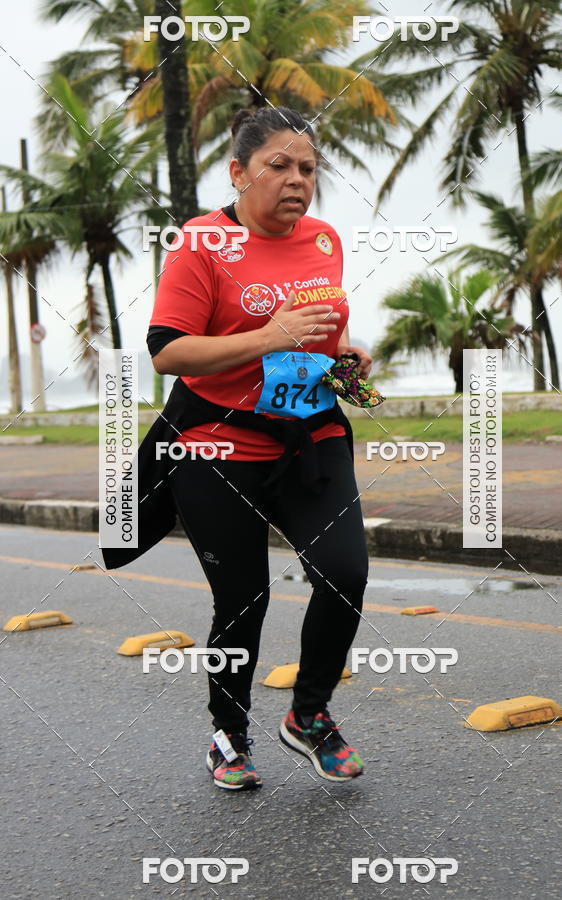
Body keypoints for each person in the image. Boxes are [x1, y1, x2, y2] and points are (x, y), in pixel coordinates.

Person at [147, 106, 371, 791]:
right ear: (239, 172)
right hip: (217, 448)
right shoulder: (200, 243)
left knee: (345, 571)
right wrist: (269, 337)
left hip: (311, 434)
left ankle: (308, 715)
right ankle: (229, 732)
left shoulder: (326, 241)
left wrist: (348, 363)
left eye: (307, 168)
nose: (297, 179)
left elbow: (318, 340)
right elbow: (168, 352)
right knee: (242, 601)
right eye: (279, 166)